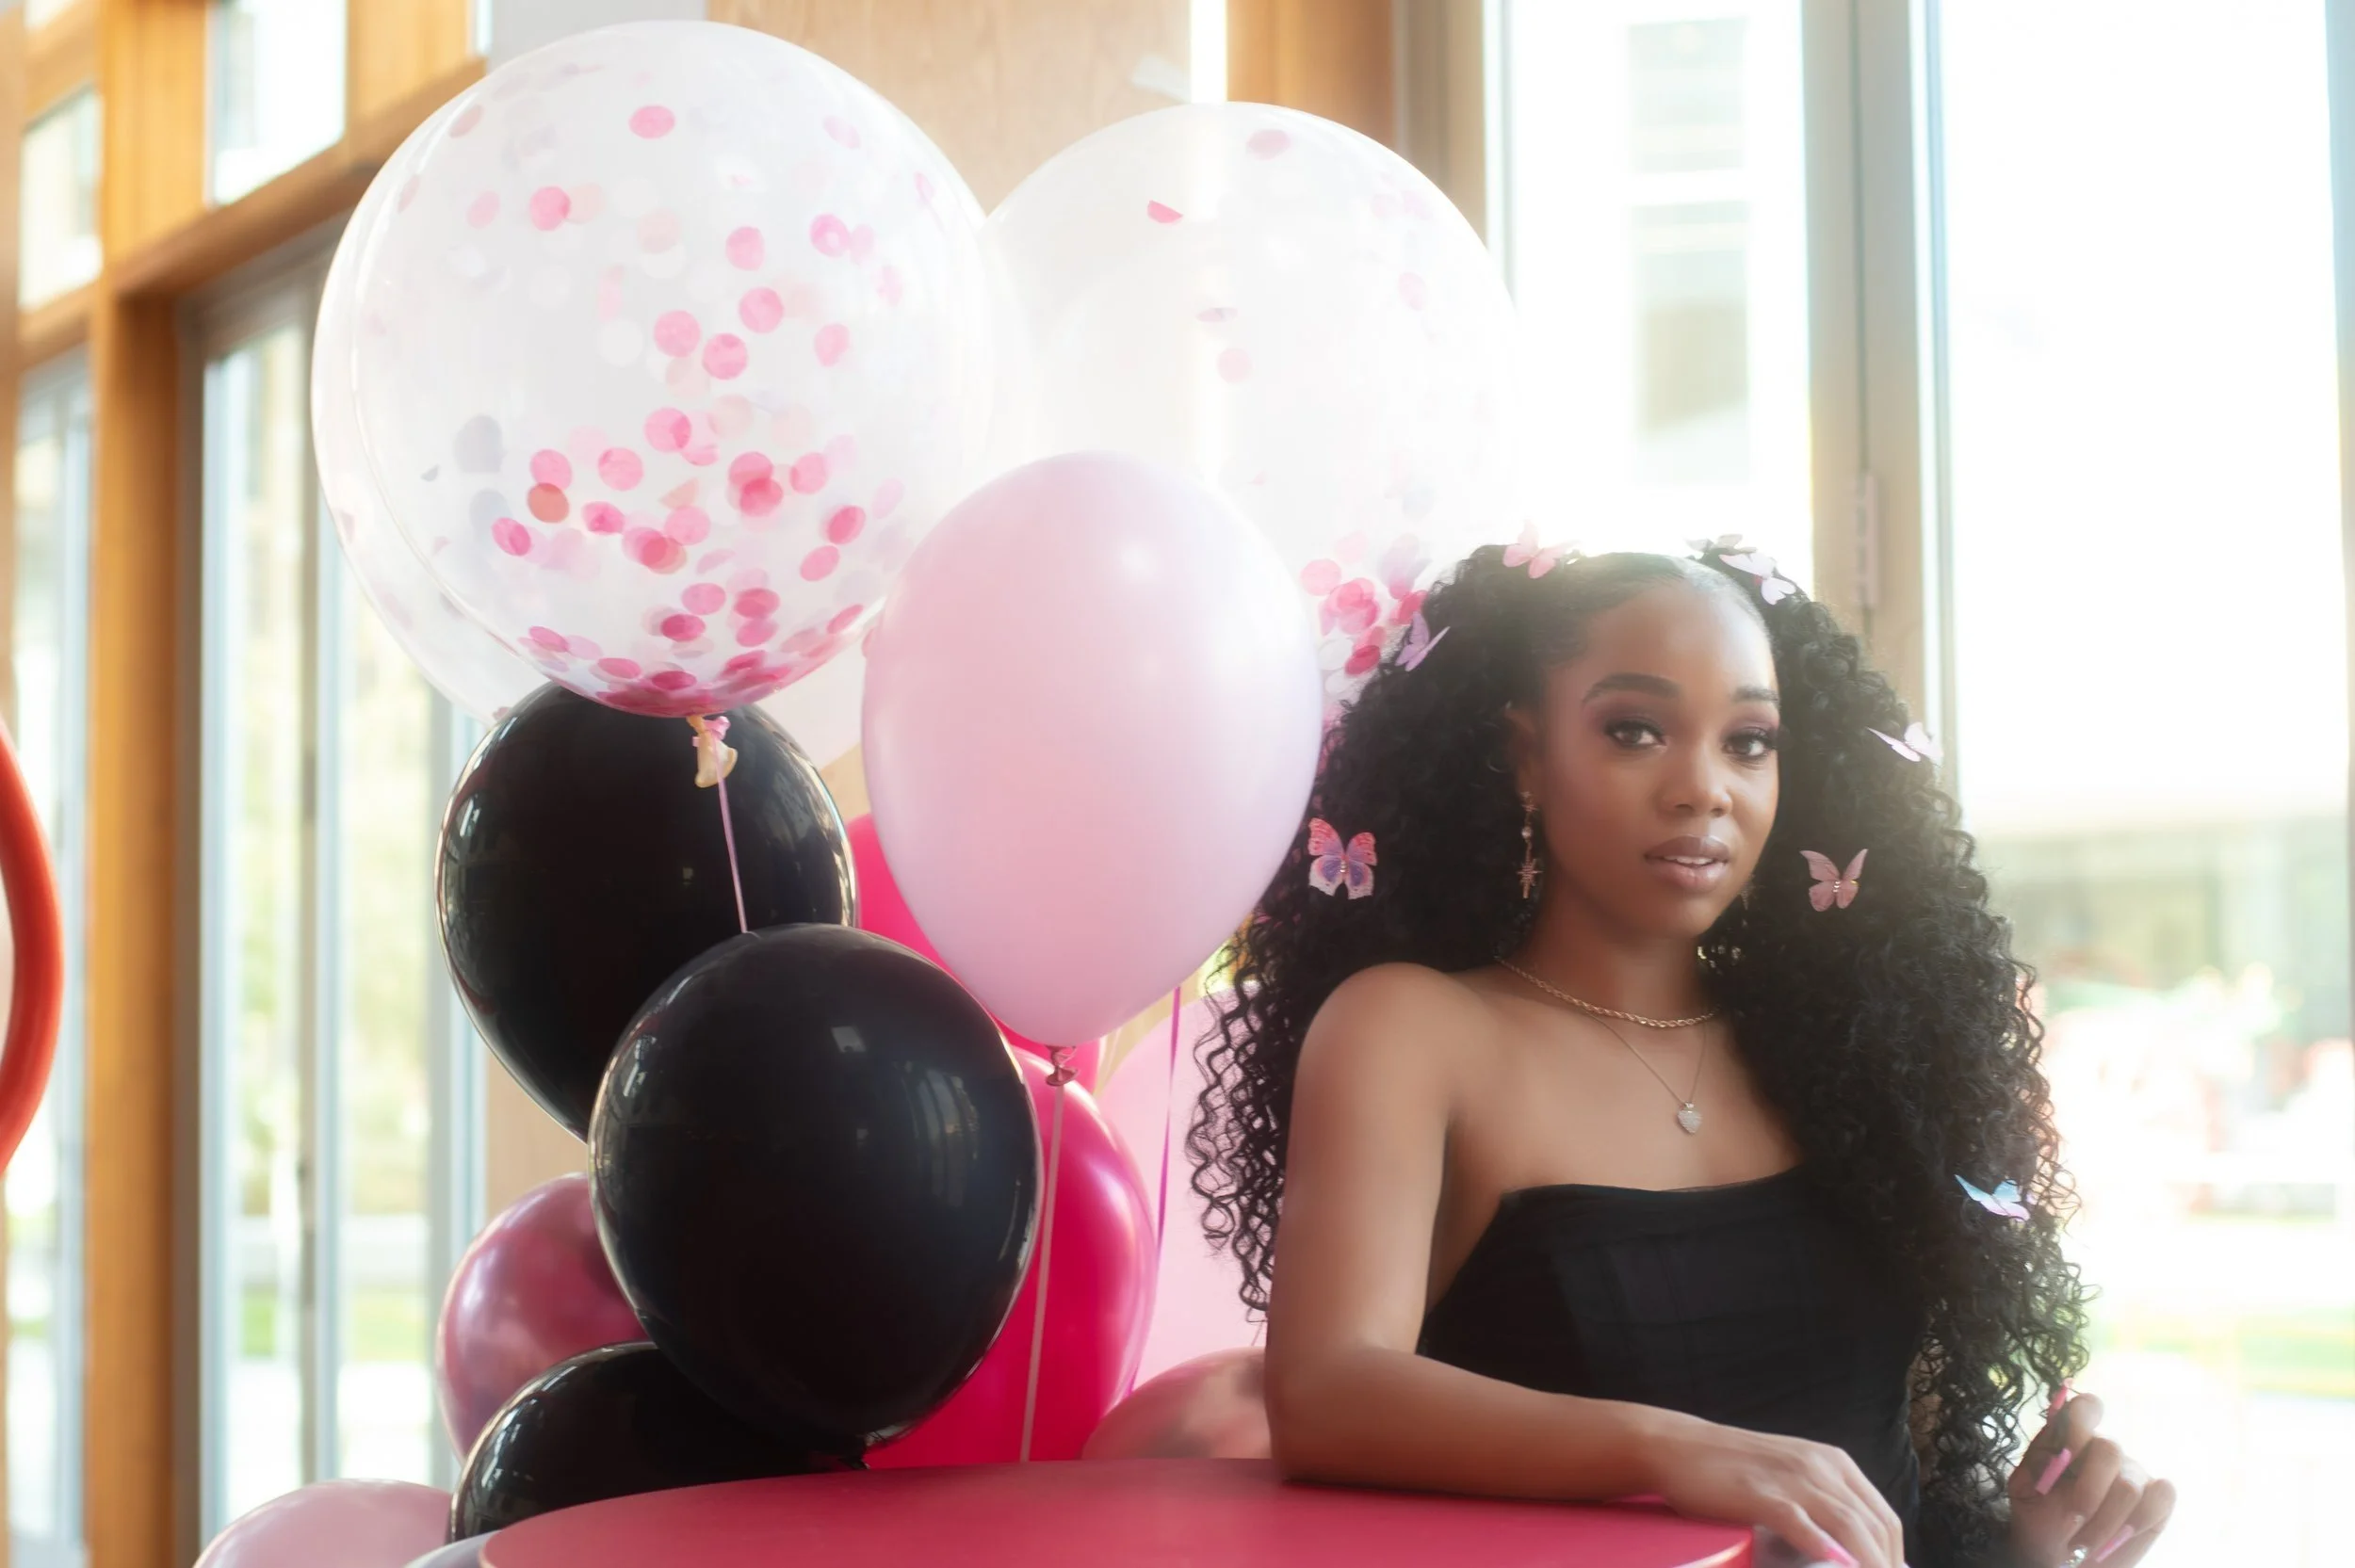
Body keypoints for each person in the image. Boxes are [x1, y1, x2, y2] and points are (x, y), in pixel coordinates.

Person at [1188, 543, 2175, 1568]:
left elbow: (1887, 1499)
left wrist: (2033, 1540)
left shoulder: (1841, 1057)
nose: (1703, 788)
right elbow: (1324, 1393)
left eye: (1749, 741)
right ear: (1525, 755)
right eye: (1635, 730)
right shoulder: (1411, 1030)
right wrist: (1670, 1451)